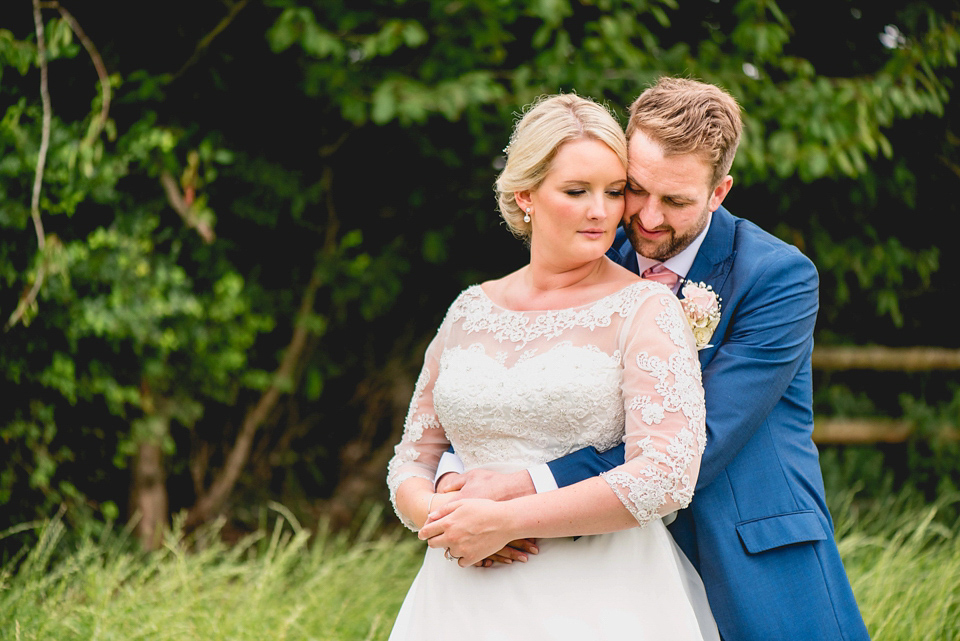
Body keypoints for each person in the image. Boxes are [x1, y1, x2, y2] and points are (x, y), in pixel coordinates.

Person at [434, 78, 871, 641]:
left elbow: (701, 440)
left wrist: (522, 487)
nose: (647, 218)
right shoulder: (591, 252)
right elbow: (518, 374)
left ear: (719, 192)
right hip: (600, 560)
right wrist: (461, 474)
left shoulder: (776, 278)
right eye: (634, 190)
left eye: (677, 201)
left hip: (744, 553)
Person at [386, 93, 720, 641]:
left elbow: (666, 474)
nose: (602, 211)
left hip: (600, 596)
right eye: (576, 191)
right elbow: (412, 458)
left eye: (615, 192)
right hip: (459, 596)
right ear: (525, 196)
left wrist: (507, 521)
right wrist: (441, 521)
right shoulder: (470, 309)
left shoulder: (646, 308)